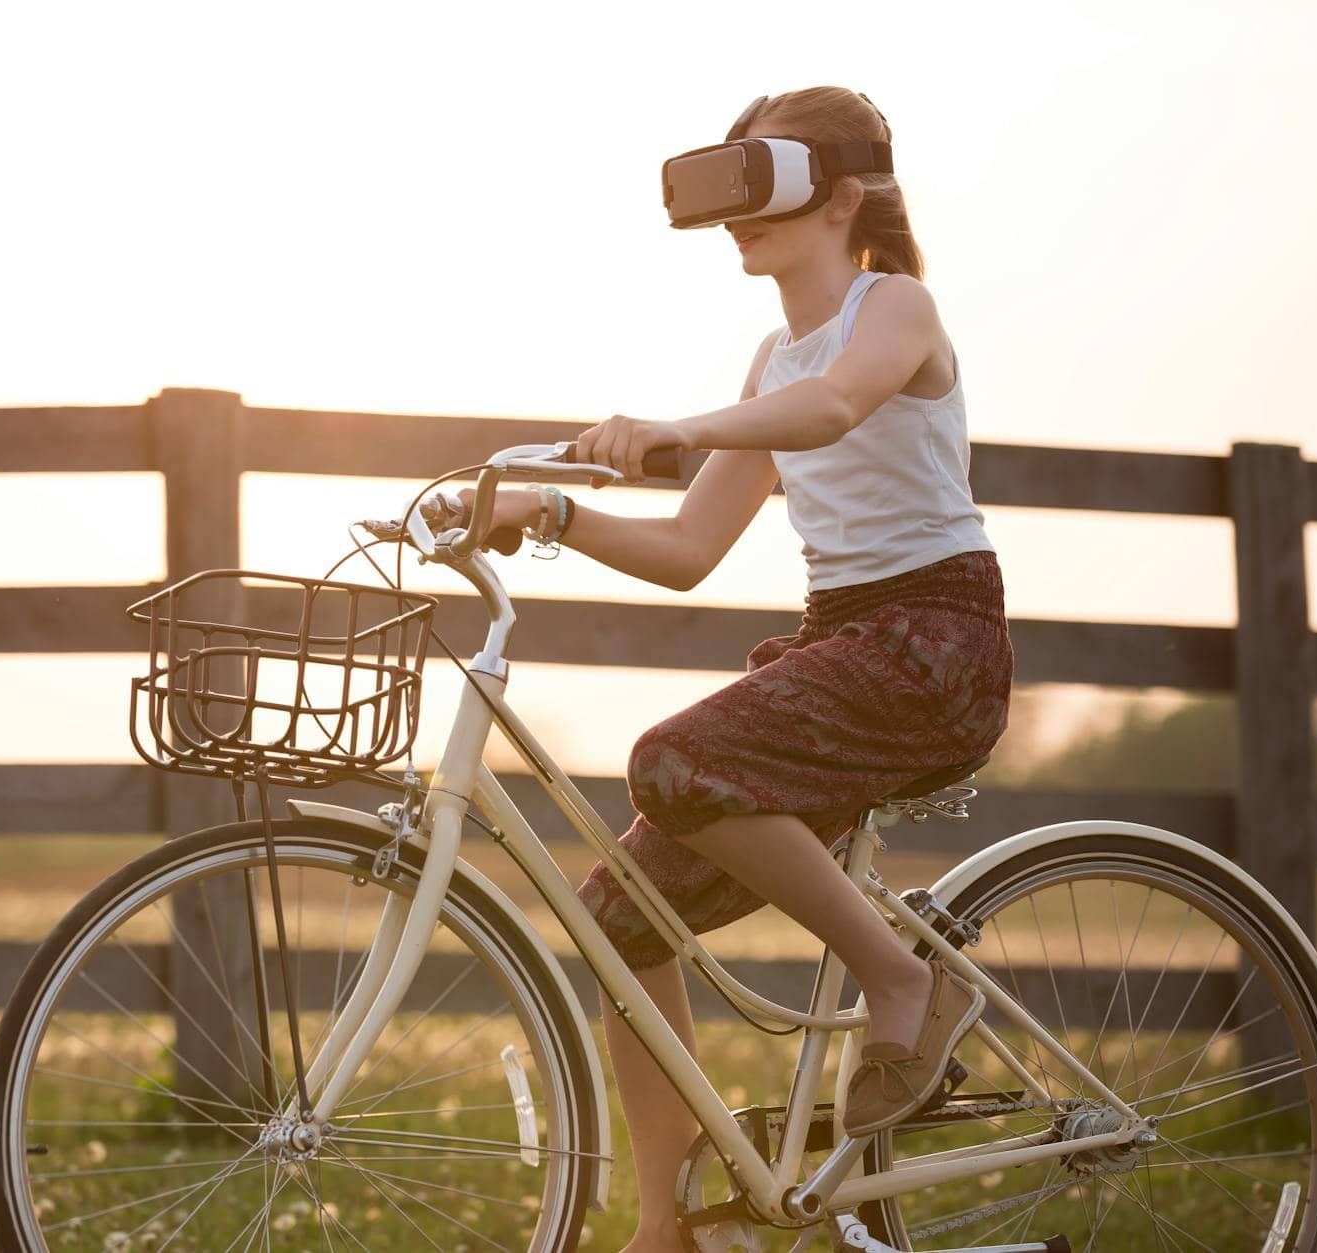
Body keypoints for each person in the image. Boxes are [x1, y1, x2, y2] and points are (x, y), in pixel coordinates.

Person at [466, 86, 1014, 1250]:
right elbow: (682, 550)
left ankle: (906, 981)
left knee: (672, 756)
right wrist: (554, 507)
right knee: (616, 911)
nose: (734, 218)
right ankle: (663, 1224)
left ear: (843, 198)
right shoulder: (770, 356)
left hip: (934, 645)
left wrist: (679, 428)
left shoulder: (893, 307)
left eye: (760, 186)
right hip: (842, 644)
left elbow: (834, 406)